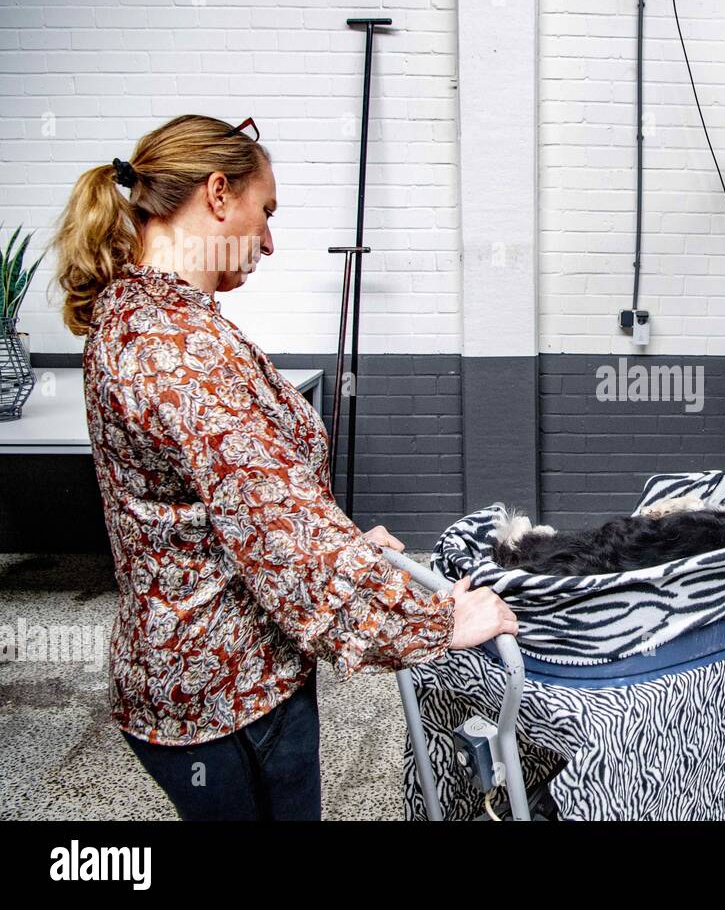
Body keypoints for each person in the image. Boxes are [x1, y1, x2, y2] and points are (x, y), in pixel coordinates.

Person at [53, 114, 517, 820]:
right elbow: (279, 535)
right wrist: (437, 623)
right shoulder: (175, 344)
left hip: (219, 670)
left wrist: (341, 549)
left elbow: (226, 510)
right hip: (224, 697)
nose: (269, 240)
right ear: (217, 194)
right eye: (263, 211)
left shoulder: (142, 316)